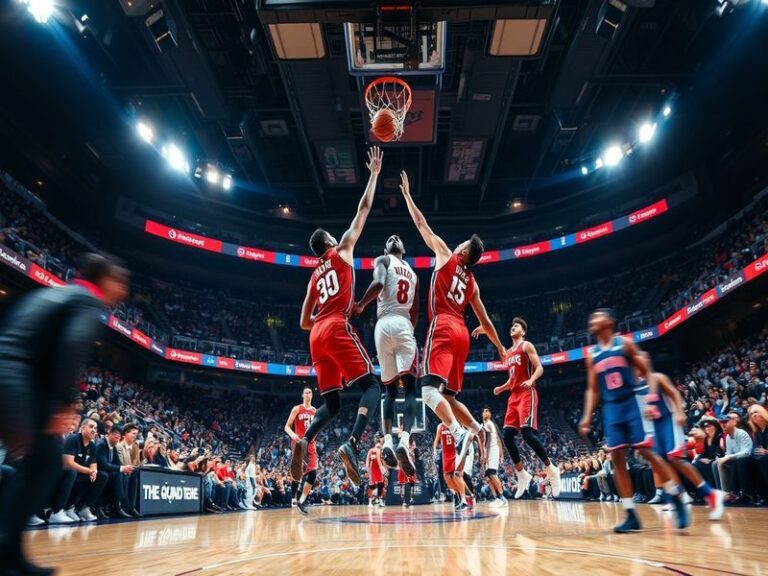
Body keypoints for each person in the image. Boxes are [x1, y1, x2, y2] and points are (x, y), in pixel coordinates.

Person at [0, 252, 128, 576]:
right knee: (44, 464)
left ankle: (10, 554)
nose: (123, 290)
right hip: (13, 374)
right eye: (120, 282)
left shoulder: (60, 293)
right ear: (104, 280)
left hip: (13, 371)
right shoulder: (88, 301)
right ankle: (5, 553)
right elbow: (70, 347)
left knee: (36, 464)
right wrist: (65, 402)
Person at [399, 170, 506, 469]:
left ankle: (459, 434)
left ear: (463, 250)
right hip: (462, 334)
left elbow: (421, 223)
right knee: (449, 395)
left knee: (428, 390)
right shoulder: (473, 284)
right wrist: (500, 347)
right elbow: (486, 321)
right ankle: (477, 429)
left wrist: (407, 196)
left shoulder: (446, 255)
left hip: (444, 326)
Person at [292, 147, 384, 487]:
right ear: (329, 241)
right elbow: (364, 209)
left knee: (331, 403)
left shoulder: (313, 276)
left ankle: (305, 439)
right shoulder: (343, 248)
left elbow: (304, 322)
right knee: (371, 386)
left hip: (316, 335)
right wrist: (373, 174)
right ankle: (353, 443)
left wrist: (322, 317)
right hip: (335, 326)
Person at [578, 308, 689, 533]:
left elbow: (647, 372)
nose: (592, 320)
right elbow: (593, 389)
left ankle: (676, 494)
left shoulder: (625, 344)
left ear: (609, 321)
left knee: (647, 453)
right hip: (611, 409)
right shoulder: (592, 355)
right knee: (617, 458)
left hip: (631, 404)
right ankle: (630, 515)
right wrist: (587, 416)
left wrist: (651, 399)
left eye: (597, 316)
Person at [353, 235, 419, 475]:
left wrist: (361, 304)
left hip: (382, 327)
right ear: (388, 249)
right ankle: (404, 440)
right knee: (409, 390)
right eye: (390, 239)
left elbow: (379, 283)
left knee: (390, 391)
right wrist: (410, 331)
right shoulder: (412, 273)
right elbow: (415, 310)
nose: (394, 238)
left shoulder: (383, 261)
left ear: (402, 249)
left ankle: (389, 441)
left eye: (397, 238)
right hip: (402, 324)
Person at [475, 317, 561, 499]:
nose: (513, 327)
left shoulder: (526, 345)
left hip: (526, 392)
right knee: (507, 436)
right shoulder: (509, 353)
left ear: (523, 332)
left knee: (527, 433)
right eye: (512, 325)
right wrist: (502, 387)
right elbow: (512, 378)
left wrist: (531, 380)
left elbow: (539, 368)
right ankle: (522, 474)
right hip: (513, 396)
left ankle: (551, 468)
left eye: (517, 326)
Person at [633, 356, 724, 520]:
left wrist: (680, 413)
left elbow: (674, 393)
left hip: (669, 421)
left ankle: (710, 494)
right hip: (653, 427)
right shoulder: (634, 387)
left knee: (675, 458)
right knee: (661, 463)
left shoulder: (657, 378)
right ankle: (680, 495)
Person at [62, 418, 108, 522]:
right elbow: (68, 463)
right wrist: (89, 471)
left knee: (102, 476)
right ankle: (66, 508)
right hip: (66, 475)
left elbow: (93, 464)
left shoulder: (92, 445)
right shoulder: (73, 439)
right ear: (83, 428)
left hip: (80, 475)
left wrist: (94, 472)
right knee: (74, 474)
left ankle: (84, 508)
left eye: (95, 428)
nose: (94, 430)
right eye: (91, 427)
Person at [284, 387, 318, 515]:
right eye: (306, 392)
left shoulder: (315, 411)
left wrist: (314, 437)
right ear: (302, 395)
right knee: (298, 470)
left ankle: (301, 501)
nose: (308, 394)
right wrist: (293, 435)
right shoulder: (297, 408)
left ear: (312, 395)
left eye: (310, 392)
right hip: (298, 442)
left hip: (311, 444)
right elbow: (286, 426)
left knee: (313, 473)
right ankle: (293, 497)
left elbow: (317, 428)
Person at [94, 425, 135, 519]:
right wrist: (122, 468)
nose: (118, 440)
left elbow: (118, 463)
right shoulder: (101, 445)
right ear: (109, 434)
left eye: (119, 438)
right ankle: (115, 507)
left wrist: (126, 468)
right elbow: (103, 465)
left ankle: (118, 505)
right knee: (118, 473)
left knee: (123, 474)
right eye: (116, 437)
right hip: (98, 475)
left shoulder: (113, 447)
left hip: (107, 475)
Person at [716, 408, 753, 504]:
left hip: (749, 460)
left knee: (740, 461)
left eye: (725, 422)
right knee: (718, 463)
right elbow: (729, 453)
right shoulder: (728, 437)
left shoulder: (741, 433)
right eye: (721, 423)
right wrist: (723, 458)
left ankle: (744, 494)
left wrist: (729, 457)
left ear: (733, 422)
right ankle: (727, 493)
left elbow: (747, 452)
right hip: (737, 460)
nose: (723, 425)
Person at [433, 422, 468, 512]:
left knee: (457, 475)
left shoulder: (454, 423)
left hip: (454, 452)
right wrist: (434, 450)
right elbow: (436, 440)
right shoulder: (440, 426)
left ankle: (464, 500)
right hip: (445, 454)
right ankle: (456, 494)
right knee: (447, 477)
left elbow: (461, 437)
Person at [481, 408, 507, 508]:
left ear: (490, 414)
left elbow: (487, 441)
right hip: (489, 451)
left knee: (492, 473)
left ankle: (502, 498)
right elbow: (497, 439)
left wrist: (485, 455)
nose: (485, 412)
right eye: (483, 411)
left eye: (487, 411)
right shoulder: (487, 425)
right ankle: (497, 498)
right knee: (489, 476)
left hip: (492, 450)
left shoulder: (488, 424)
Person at [366, 435, 387, 508]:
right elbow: (367, 461)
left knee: (380, 484)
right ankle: (370, 501)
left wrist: (384, 469)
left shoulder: (381, 451)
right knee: (372, 485)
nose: (379, 446)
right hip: (373, 469)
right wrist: (367, 470)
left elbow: (383, 461)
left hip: (378, 469)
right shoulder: (371, 451)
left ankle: (379, 500)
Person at [397, 435, 417, 508]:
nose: (414, 446)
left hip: (405, 467)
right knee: (408, 485)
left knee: (406, 485)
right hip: (407, 467)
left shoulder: (403, 447)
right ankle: (408, 500)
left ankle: (406, 501)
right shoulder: (407, 449)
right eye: (413, 444)